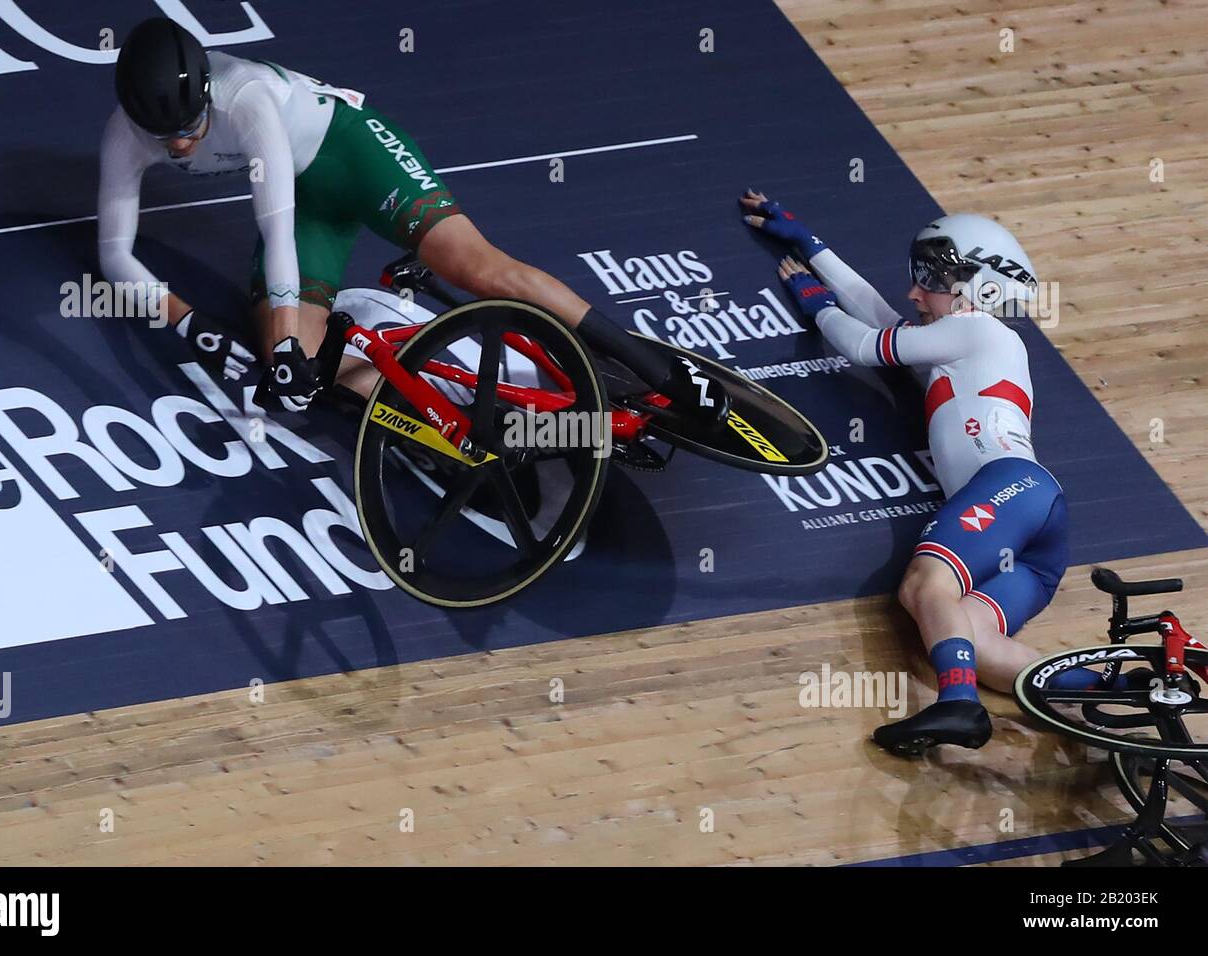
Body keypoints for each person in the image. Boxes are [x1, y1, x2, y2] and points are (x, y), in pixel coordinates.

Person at [98, 17, 727, 421]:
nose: (181, 146)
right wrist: (192, 324)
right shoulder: (125, 137)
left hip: (354, 153)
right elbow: (114, 257)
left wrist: (282, 327)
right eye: (166, 136)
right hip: (308, 200)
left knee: (480, 269)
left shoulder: (247, 96)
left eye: (189, 128)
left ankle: (665, 372)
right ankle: (475, 418)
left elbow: (276, 229)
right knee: (297, 376)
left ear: (207, 92)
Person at [741, 190, 1076, 755]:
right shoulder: (965, 343)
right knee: (966, 636)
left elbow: (865, 342)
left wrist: (813, 298)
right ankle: (1111, 702)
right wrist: (810, 243)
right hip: (1036, 519)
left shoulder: (979, 330)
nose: (914, 291)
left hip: (1012, 488)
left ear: (978, 289)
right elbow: (881, 313)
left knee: (925, 585)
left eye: (932, 280)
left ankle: (959, 707)